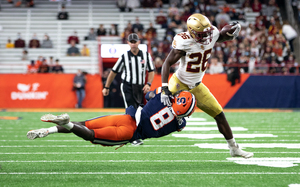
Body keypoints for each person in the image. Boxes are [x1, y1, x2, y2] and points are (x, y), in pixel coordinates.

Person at [160, 13, 253, 159]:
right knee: (158, 106)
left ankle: (234, 148)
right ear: (191, 31)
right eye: (201, 34)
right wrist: (165, 88)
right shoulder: (183, 41)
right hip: (179, 83)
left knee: (219, 114)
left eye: (207, 33)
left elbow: (221, 36)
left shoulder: (211, 33)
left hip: (196, 86)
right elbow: (167, 63)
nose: (205, 37)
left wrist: (231, 32)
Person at [27, 90, 196, 148]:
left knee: (85, 124)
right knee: (90, 135)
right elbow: (181, 119)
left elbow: (148, 94)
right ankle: (62, 125)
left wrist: (166, 93)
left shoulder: (163, 97)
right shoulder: (180, 125)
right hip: (131, 133)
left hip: (127, 118)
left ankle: (49, 129)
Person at [102, 33, 155, 146]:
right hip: (127, 86)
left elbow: (151, 71)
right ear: (128, 43)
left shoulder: (145, 55)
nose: (133, 44)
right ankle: (132, 137)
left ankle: (131, 133)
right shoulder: (124, 56)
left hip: (140, 87)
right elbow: (113, 72)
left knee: (139, 111)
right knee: (131, 110)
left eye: (135, 41)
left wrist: (149, 84)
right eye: (131, 42)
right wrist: (107, 86)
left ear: (138, 42)